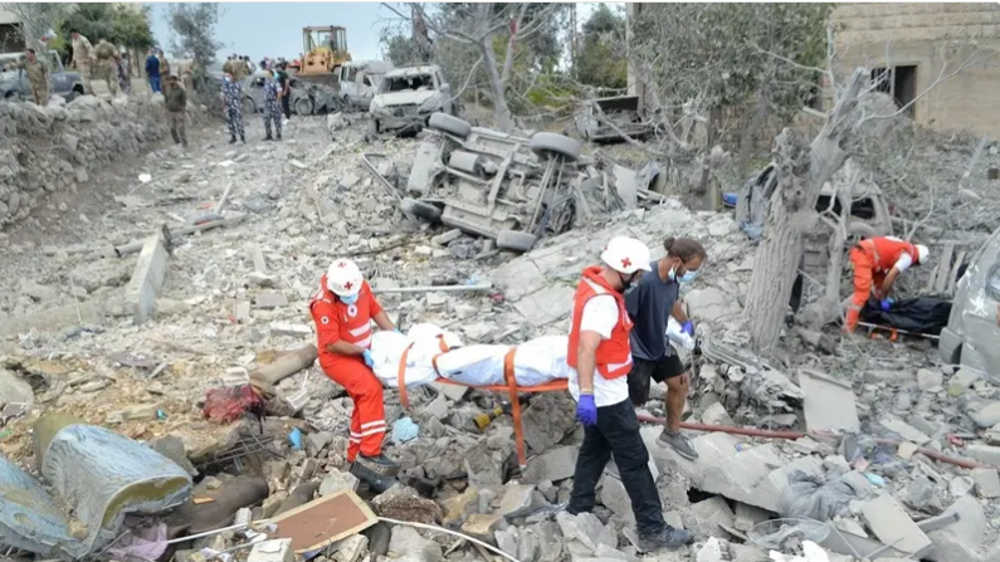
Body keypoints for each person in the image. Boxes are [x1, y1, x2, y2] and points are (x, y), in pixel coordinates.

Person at [566, 236, 694, 553]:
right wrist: (587, 394)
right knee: (634, 459)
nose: (639, 278)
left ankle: (578, 506)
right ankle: (652, 528)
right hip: (604, 395)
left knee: (595, 446)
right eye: (636, 274)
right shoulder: (603, 304)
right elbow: (586, 348)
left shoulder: (594, 286)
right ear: (624, 271)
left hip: (598, 390)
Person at [309, 258, 400, 482]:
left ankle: (355, 455)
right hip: (338, 358)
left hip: (360, 352)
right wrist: (361, 352)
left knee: (364, 398)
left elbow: (375, 310)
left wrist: (396, 335)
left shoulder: (358, 285)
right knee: (370, 389)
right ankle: (370, 453)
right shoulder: (324, 304)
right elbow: (331, 343)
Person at [625, 237, 707, 460]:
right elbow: (623, 315)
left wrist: (687, 324)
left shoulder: (673, 278)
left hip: (659, 345)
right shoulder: (644, 280)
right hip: (637, 352)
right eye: (692, 268)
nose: (693, 273)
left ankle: (671, 433)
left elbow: (672, 304)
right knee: (628, 404)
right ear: (677, 261)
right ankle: (618, 450)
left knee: (681, 383)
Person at [845, 236, 929, 332]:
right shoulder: (908, 257)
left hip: (871, 256)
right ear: (917, 262)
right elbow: (891, 276)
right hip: (864, 255)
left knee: (880, 286)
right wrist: (884, 298)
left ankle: (871, 312)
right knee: (862, 293)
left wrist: (883, 294)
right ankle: (848, 328)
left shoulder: (903, 246)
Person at [221, 71, 246, 144]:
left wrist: (242, 103)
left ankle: (242, 137)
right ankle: (233, 137)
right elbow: (223, 96)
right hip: (229, 105)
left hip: (236, 105)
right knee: (230, 122)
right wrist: (224, 106)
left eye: (230, 76)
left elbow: (244, 93)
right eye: (228, 76)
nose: (229, 77)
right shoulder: (226, 85)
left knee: (238, 121)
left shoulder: (238, 84)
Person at [163, 74, 188, 147]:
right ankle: (177, 143)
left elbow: (184, 103)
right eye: (169, 80)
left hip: (178, 112)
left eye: (171, 80)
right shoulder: (168, 90)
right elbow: (166, 100)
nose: (170, 82)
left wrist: (182, 113)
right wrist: (164, 110)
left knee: (181, 129)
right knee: (172, 129)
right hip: (170, 112)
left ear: (175, 80)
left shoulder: (181, 91)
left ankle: (184, 144)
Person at [69, 29, 94, 94]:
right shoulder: (73, 40)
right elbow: (75, 51)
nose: (72, 37)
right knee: (81, 79)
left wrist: (89, 59)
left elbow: (90, 49)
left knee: (85, 79)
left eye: (73, 35)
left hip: (84, 62)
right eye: (71, 35)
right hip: (78, 63)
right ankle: (85, 92)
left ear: (76, 33)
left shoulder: (83, 39)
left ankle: (88, 93)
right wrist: (73, 61)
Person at [262, 69, 282, 141]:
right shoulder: (266, 82)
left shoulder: (275, 82)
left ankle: (278, 135)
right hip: (267, 104)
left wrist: (277, 101)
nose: (266, 75)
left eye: (268, 74)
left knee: (277, 120)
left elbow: (279, 91)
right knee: (266, 119)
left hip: (274, 103)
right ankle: (268, 135)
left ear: (271, 74)